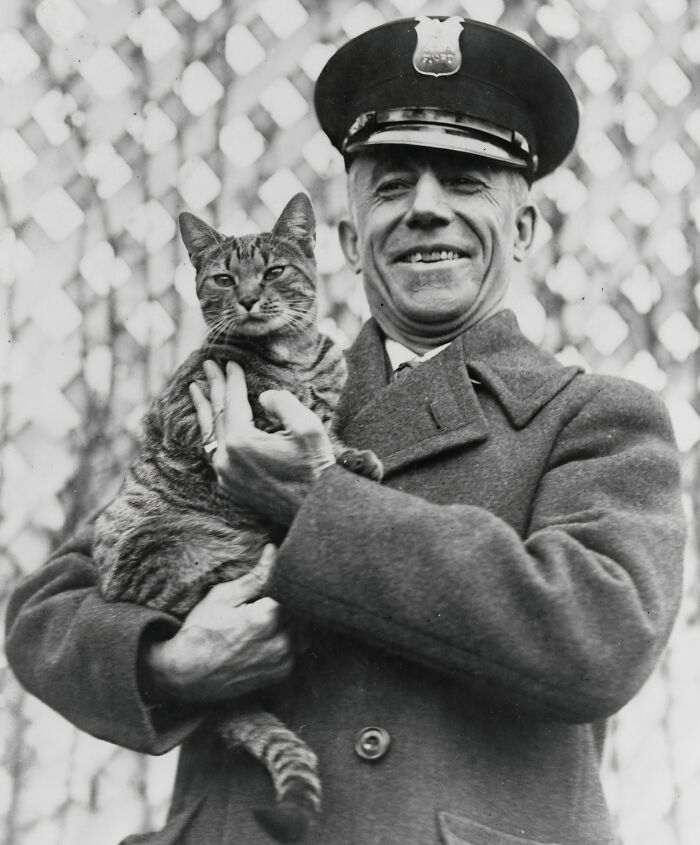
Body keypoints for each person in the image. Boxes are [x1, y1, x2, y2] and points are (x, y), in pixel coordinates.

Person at [5, 17, 685, 845]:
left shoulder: (594, 417)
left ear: (526, 228)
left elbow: (598, 635)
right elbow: (47, 610)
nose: (426, 210)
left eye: (467, 182)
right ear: (348, 244)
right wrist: (168, 661)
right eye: (393, 186)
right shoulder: (247, 391)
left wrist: (320, 503)